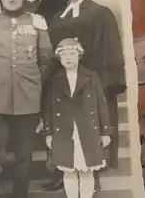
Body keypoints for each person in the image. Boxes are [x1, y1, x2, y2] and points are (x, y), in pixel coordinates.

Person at [48, 0, 126, 192]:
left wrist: (103, 82)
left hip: (92, 81)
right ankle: (63, 172)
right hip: (65, 82)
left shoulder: (100, 13)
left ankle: (95, 172)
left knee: (90, 130)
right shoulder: (59, 16)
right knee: (67, 129)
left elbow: (109, 49)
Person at [0, 0, 53, 198]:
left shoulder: (36, 22)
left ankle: (20, 194)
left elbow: (46, 59)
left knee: (23, 155)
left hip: (27, 97)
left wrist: (34, 80)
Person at [42, 38, 111, 198]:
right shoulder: (56, 80)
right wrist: (49, 133)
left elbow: (101, 105)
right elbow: (49, 109)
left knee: (87, 170)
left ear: (79, 55)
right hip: (65, 131)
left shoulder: (91, 76)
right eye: (64, 55)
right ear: (59, 58)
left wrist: (105, 132)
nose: (68, 58)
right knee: (69, 171)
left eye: (72, 54)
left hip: (87, 130)